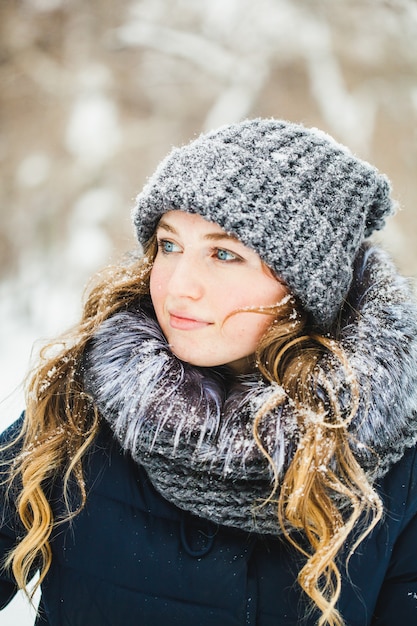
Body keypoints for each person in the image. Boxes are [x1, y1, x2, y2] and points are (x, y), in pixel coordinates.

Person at [1, 118, 417, 626]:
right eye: (169, 245)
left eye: (224, 254)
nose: (178, 287)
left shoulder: (394, 462)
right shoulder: (79, 409)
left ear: (307, 288)